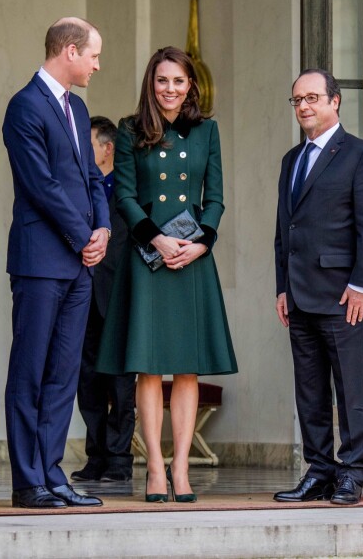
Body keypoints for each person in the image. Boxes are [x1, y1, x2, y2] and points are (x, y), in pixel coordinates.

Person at [96, 46, 237, 503]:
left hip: (192, 260)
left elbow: (214, 197)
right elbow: (125, 197)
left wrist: (201, 243)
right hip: (147, 258)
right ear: (150, 84)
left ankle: (181, 470)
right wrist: (156, 239)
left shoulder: (207, 131)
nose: (170, 89)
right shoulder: (130, 129)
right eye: (162, 81)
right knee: (149, 370)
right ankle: (154, 468)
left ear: (190, 85)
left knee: (187, 367)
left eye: (178, 81)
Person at [2, 17, 109, 509]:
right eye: (93, 55)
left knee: (64, 374)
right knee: (30, 371)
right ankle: (28, 482)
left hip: (79, 265)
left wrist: (103, 228)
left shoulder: (79, 108)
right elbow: (40, 185)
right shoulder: (24, 107)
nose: (97, 64)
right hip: (40, 261)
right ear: (69, 51)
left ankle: (52, 474)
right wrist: (84, 233)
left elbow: (91, 176)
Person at [273, 69, 363, 505]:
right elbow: (285, 228)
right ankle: (319, 471)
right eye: (297, 99)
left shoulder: (360, 155)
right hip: (299, 296)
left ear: (334, 101)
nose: (304, 106)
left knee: (351, 390)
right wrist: (281, 287)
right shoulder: (291, 159)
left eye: (312, 98)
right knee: (310, 391)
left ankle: (352, 474)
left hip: (344, 296)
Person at [71, 116, 135, 483]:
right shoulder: (79, 189)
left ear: (108, 149)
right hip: (84, 296)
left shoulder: (127, 191)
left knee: (122, 383)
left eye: (88, 144)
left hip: (119, 296)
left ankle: (119, 458)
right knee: (88, 380)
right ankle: (96, 456)